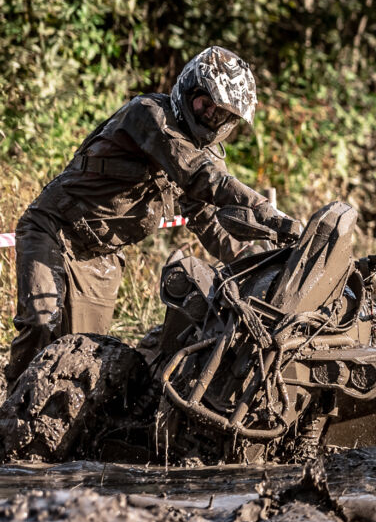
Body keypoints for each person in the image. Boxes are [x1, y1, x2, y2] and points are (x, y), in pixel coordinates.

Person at [3, 46, 301, 387]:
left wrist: (259, 266)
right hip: (53, 230)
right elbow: (202, 177)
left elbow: (206, 220)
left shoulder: (205, 155)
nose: (209, 115)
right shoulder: (149, 114)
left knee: (80, 360)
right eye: (206, 103)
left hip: (100, 258)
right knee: (42, 323)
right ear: (189, 89)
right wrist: (269, 213)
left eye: (220, 114)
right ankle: (12, 403)